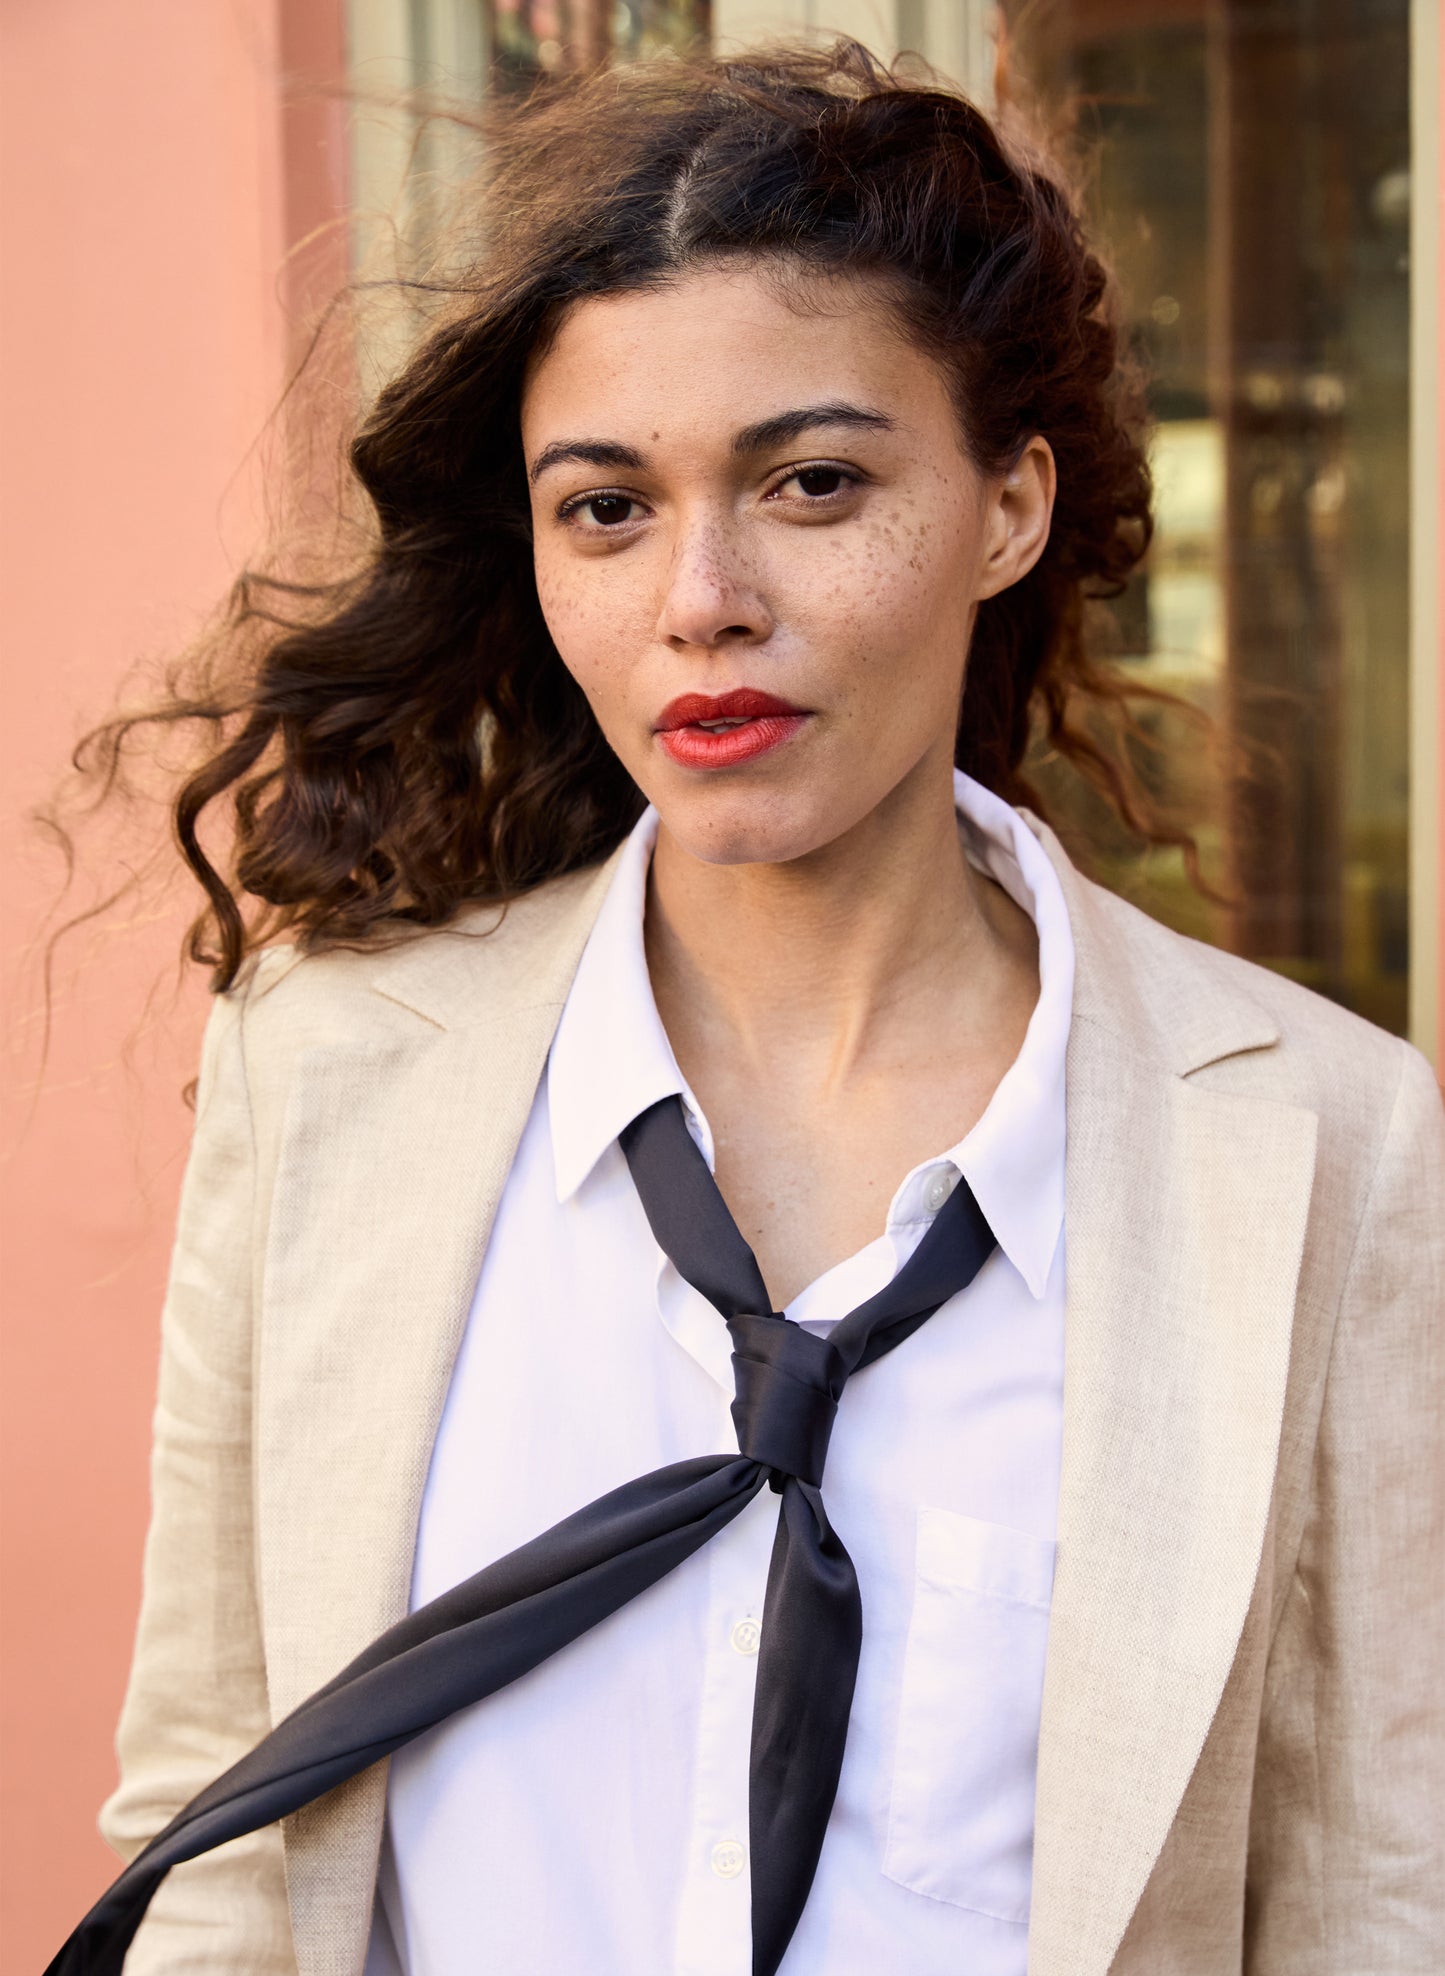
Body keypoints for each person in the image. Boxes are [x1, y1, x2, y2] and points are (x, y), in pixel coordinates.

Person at [49, 38, 1442, 1976]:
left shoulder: (1323, 1142)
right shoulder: (332, 1071)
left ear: (1009, 505)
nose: (700, 597)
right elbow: (218, 1830)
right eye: (606, 508)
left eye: (812, 483)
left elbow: (1376, 1895)